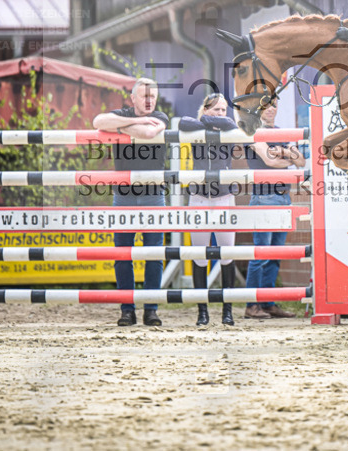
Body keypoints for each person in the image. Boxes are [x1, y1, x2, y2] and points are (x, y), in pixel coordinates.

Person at [93, 79, 168, 327]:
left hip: (153, 194)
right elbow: (97, 122)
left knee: (154, 255)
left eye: (152, 96)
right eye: (144, 96)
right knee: (122, 254)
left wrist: (120, 127)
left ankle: (151, 310)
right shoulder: (125, 114)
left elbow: (148, 134)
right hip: (123, 194)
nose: (149, 101)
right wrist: (134, 123)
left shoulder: (160, 116)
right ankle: (127, 310)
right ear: (132, 98)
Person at [178, 92, 243, 326]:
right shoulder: (195, 128)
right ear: (205, 109)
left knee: (227, 255)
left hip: (224, 197)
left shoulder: (229, 128)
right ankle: (202, 312)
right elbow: (183, 122)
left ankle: (228, 311)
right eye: (216, 109)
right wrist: (207, 122)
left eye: (223, 109)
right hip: (199, 198)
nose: (221, 114)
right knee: (199, 256)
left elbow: (231, 124)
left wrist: (212, 120)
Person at [243, 100, 306, 319]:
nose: (271, 108)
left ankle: (268, 303)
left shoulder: (281, 132)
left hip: (283, 198)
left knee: (276, 255)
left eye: (274, 105)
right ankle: (252, 305)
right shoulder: (252, 131)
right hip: (263, 198)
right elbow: (270, 161)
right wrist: (286, 156)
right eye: (266, 105)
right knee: (260, 254)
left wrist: (282, 152)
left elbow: (301, 161)